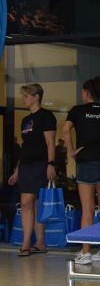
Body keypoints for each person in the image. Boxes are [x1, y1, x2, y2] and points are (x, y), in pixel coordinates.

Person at [63, 76, 100, 265]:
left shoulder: (78, 110)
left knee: (87, 209)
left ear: (86, 92)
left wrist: (71, 151)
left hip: (85, 161)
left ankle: (85, 252)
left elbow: (65, 129)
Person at [9, 83, 56, 256]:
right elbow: (25, 146)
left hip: (39, 164)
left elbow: (50, 142)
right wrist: (17, 170)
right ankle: (40, 242)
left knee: (26, 202)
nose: (23, 99)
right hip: (26, 165)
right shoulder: (25, 120)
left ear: (36, 97)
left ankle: (26, 243)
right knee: (34, 203)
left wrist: (51, 164)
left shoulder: (46, 116)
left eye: (26, 96)